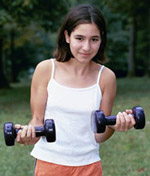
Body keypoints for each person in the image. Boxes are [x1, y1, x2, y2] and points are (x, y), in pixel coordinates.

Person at [15, 4, 136, 176]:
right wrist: (27, 135)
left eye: (94, 39)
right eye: (79, 38)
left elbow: (99, 135)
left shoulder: (107, 77)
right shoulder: (46, 69)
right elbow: (37, 121)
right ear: (67, 36)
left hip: (89, 165)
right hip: (50, 163)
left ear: (101, 39)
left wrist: (115, 126)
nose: (86, 47)